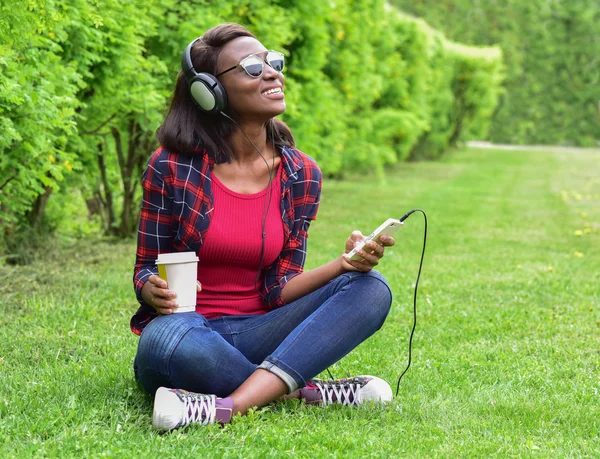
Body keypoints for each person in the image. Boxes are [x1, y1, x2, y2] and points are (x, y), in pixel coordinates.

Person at [131, 23, 396, 431]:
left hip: (261, 330)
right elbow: (145, 267)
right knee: (175, 342)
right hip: (186, 329)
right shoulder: (171, 166)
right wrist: (151, 286)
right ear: (208, 91)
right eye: (252, 67)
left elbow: (279, 287)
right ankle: (303, 391)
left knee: (371, 288)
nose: (273, 73)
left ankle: (226, 407)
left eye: (273, 62)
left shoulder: (301, 174)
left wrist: (344, 266)